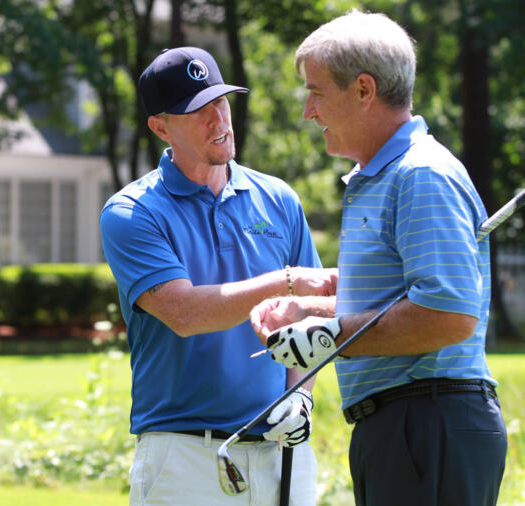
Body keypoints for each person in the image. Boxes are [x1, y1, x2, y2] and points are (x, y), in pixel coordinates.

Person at [251, 11, 507, 506]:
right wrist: (309, 312)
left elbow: (448, 314)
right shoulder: (383, 177)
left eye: (316, 91)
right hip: (404, 426)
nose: (307, 111)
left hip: (429, 421)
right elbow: (396, 300)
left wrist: (329, 338)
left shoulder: (421, 174)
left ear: (363, 90)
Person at [100, 46, 337, 506]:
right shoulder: (131, 212)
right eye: (197, 111)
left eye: (221, 102)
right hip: (184, 456)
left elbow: (309, 317)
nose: (218, 120)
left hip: (282, 453)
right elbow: (185, 313)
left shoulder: (279, 199)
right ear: (160, 127)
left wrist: (300, 396)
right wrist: (287, 281)